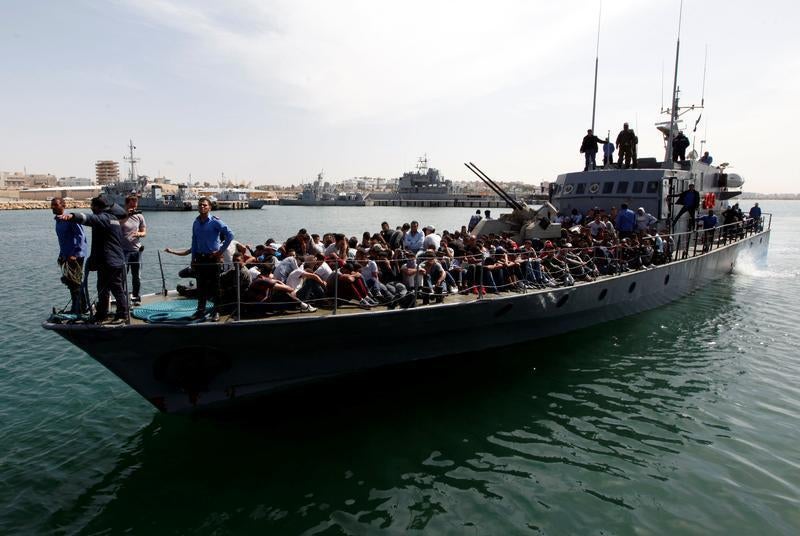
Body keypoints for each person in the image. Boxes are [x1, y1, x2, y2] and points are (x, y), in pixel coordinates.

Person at [56, 196, 128, 323]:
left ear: (97, 207)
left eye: (92, 206)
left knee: (116, 289)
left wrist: (72, 216)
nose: (90, 208)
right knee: (102, 288)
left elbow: (89, 218)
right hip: (107, 261)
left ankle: (122, 314)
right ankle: (102, 314)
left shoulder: (105, 218)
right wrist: (93, 260)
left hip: (111, 261)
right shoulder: (113, 218)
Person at [190, 197, 234, 319]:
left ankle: (216, 311)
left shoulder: (215, 222)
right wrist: (193, 258)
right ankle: (201, 310)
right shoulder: (196, 223)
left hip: (212, 258)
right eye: (200, 205)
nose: (202, 207)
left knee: (215, 286)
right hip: (200, 258)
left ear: (210, 207)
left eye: (204, 205)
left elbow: (230, 235)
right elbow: (194, 241)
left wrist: (220, 251)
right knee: (201, 286)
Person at [51, 197, 89, 315]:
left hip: (75, 257)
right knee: (71, 283)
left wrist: (75, 254)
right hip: (66, 256)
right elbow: (63, 241)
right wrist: (61, 255)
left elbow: (81, 237)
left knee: (75, 283)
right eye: (52, 205)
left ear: (63, 205)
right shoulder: (58, 220)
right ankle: (76, 307)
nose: (52, 207)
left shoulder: (70, 219)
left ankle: (80, 309)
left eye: (55, 205)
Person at [120, 194, 147, 305]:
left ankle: (136, 297)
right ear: (126, 205)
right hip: (123, 251)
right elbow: (118, 225)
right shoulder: (120, 215)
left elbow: (144, 232)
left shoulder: (140, 216)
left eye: (135, 206)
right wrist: (127, 215)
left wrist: (139, 234)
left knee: (137, 277)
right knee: (122, 276)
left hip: (136, 251)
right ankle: (122, 298)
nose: (134, 209)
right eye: (131, 206)